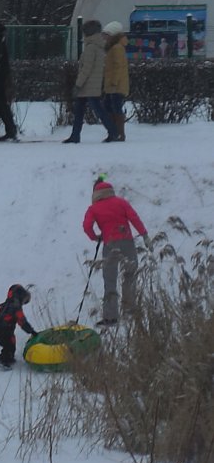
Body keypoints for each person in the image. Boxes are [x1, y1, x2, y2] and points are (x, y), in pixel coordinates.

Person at [83, 177, 151, 326]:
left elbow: (87, 226)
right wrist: (145, 235)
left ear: (96, 193)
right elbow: (134, 218)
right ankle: (129, 309)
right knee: (130, 275)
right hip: (127, 242)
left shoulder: (93, 208)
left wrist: (95, 237)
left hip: (110, 244)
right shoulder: (121, 202)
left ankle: (111, 317)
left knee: (110, 280)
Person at [63, 19, 118, 143]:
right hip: (92, 84)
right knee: (87, 110)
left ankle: (112, 132)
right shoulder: (98, 46)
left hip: (87, 85)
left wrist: (78, 85)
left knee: (92, 110)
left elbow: (86, 69)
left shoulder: (90, 47)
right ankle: (76, 135)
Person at [0, 284, 38, 369]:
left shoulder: (3, 305)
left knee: (11, 343)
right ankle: (3, 361)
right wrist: (31, 331)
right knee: (8, 346)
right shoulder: (16, 308)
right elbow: (22, 322)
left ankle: (9, 358)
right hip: (4, 330)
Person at [102, 21, 129, 142]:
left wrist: (113, 81)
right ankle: (114, 132)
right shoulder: (115, 47)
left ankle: (118, 133)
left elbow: (118, 66)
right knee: (110, 107)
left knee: (115, 107)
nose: (104, 37)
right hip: (113, 84)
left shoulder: (116, 48)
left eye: (106, 34)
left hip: (116, 85)